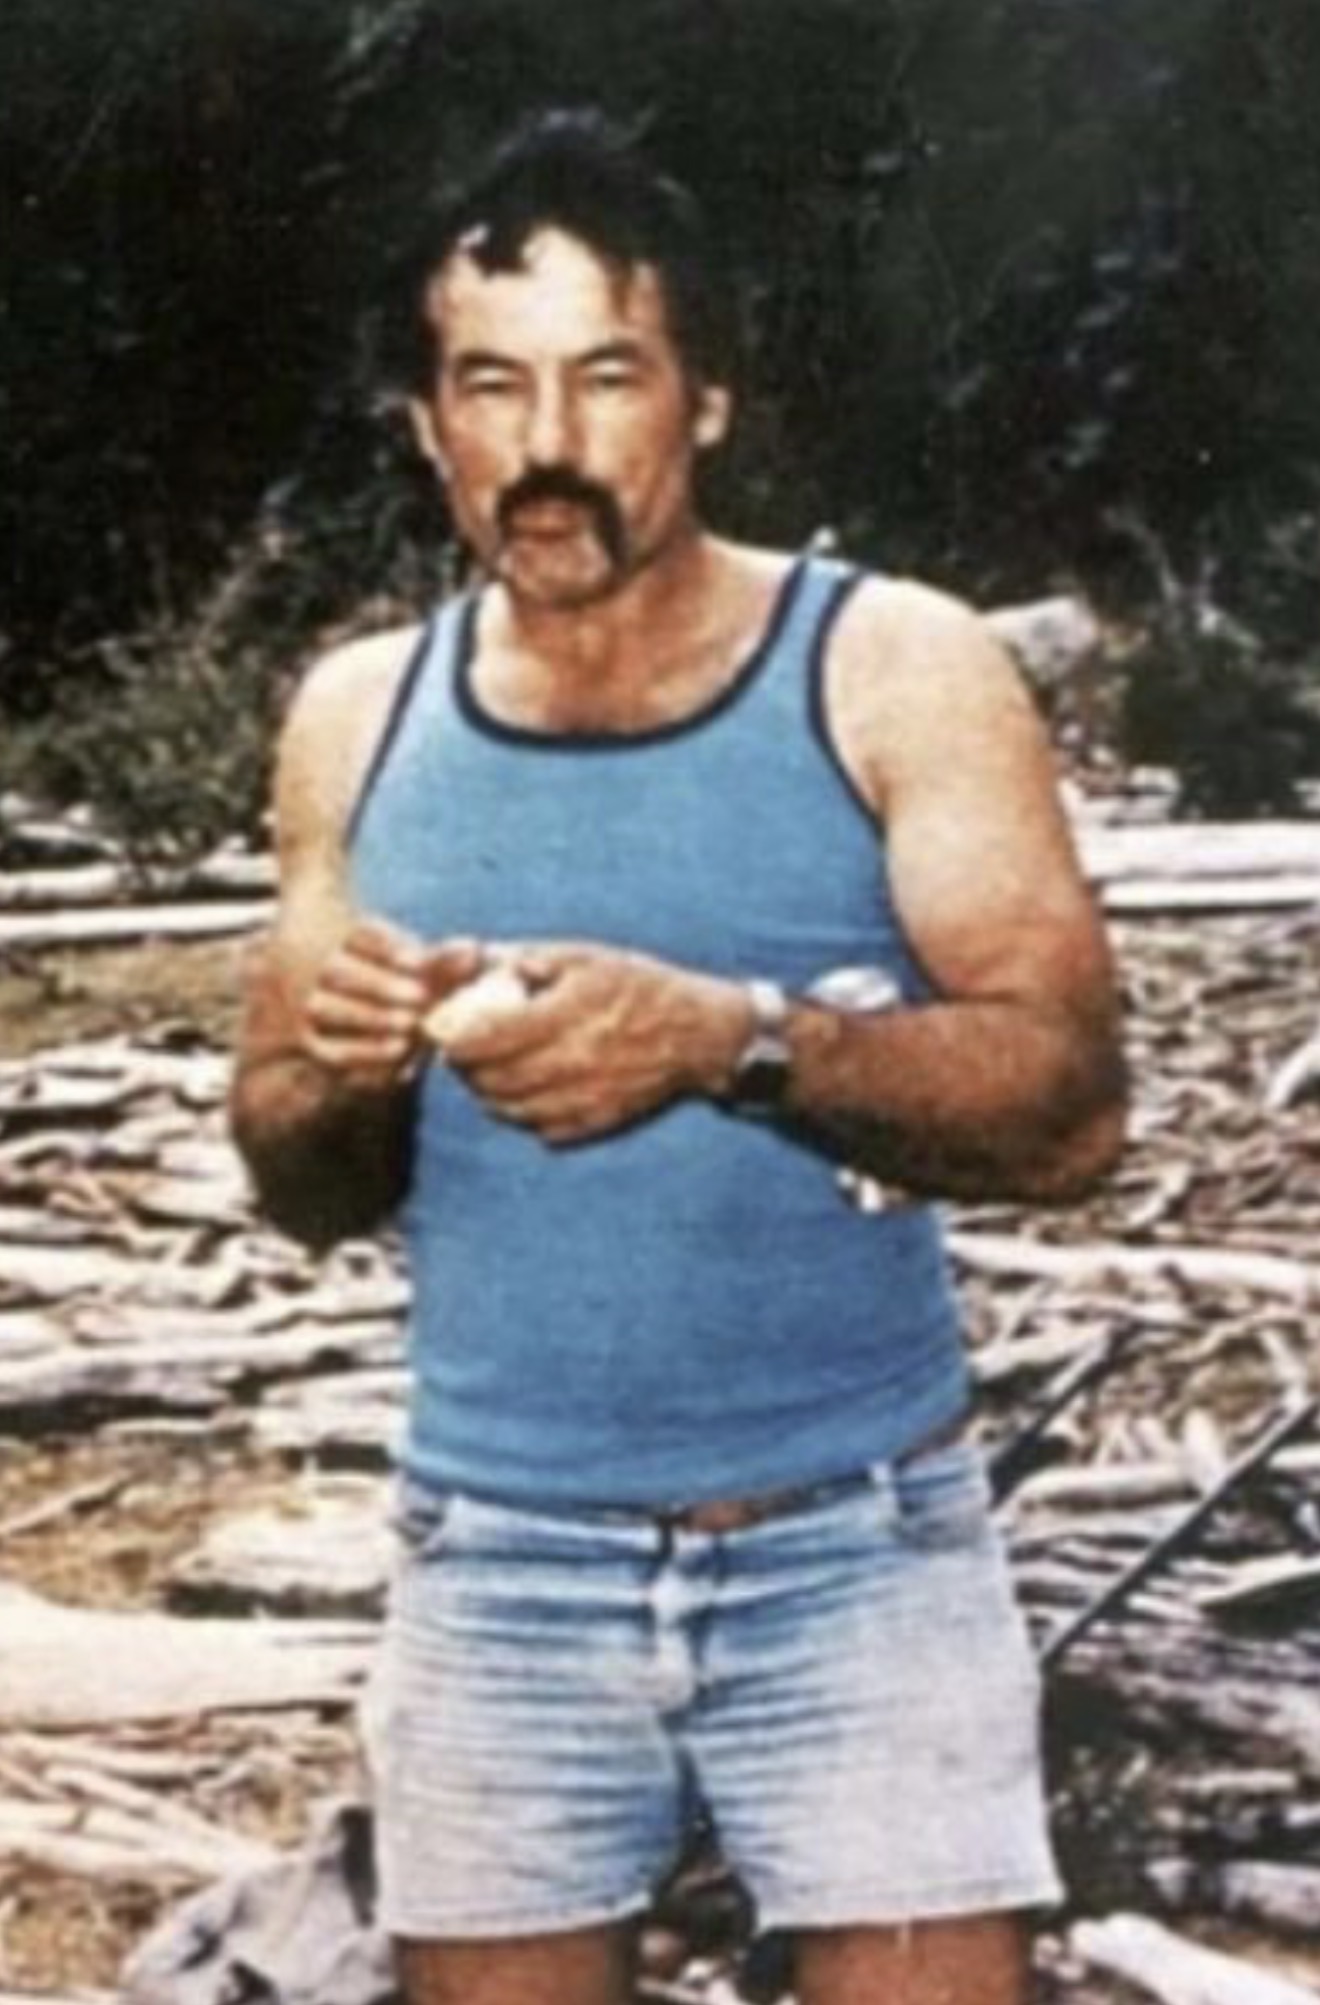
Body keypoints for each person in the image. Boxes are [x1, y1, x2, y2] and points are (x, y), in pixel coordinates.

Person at [230, 108, 1125, 2005]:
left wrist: (737, 1038)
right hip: (499, 1564)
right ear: (428, 426)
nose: (547, 444)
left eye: (608, 375)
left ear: (705, 402)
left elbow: (1069, 1112)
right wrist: (349, 1070)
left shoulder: (895, 668)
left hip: (858, 1546)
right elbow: (297, 1180)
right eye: (492, 385)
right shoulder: (358, 718)